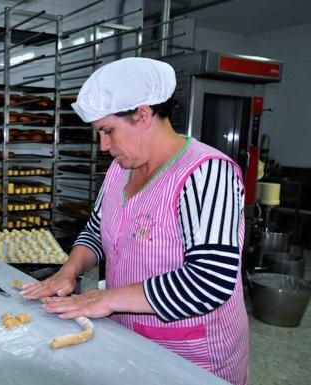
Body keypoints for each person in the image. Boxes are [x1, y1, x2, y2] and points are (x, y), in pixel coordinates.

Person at [22, 57, 249, 385]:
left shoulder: (207, 172)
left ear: (143, 114)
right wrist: (68, 271)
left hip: (192, 357)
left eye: (108, 130)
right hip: (128, 341)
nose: (104, 146)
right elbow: (96, 230)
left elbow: (210, 280)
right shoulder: (120, 169)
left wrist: (108, 298)